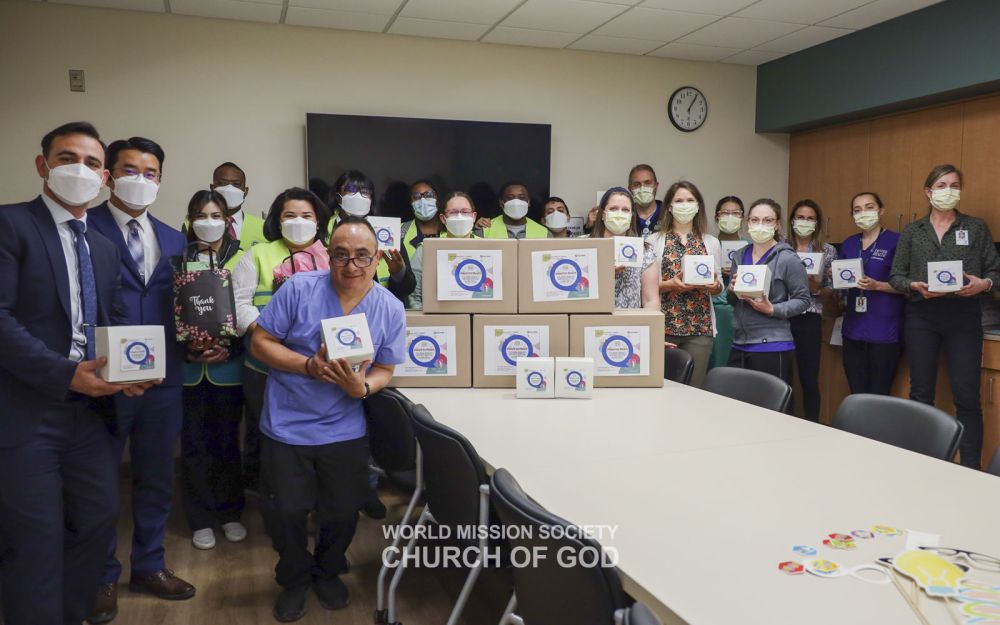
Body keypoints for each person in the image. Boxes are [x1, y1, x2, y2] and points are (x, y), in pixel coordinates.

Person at [0, 121, 155, 625]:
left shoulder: (104, 249)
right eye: (67, 158)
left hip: (90, 414)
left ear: (104, 177)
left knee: (94, 524)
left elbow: (106, 328)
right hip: (27, 413)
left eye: (91, 163)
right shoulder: (11, 225)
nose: (80, 170)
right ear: (43, 166)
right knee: (36, 539)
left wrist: (129, 369)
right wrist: (65, 374)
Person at [250, 216, 405, 621]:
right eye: (340, 255)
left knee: (341, 510)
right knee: (285, 513)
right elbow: (261, 342)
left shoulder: (389, 308)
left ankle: (328, 570)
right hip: (287, 425)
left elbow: (386, 369)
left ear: (377, 260)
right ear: (327, 255)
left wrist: (363, 388)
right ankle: (295, 578)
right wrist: (307, 366)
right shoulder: (300, 289)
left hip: (344, 427)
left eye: (361, 256)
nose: (350, 265)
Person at [87, 136, 193, 621]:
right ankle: (101, 576)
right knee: (100, 482)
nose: (140, 180)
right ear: (108, 175)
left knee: (156, 478)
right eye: (129, 170)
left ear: (160, 180)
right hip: (104, 380)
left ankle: (149, 565)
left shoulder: (174, 238)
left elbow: (185, 308)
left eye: (150, 173)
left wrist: (201, 338)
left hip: (164, 381)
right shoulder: (83, 229)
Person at [889, 164, 1000, 469]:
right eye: (941, 185)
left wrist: (984, 284)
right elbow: (896, 275)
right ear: (928, 191)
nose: (948, 190)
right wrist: (913, 285)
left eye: (954, 184)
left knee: (967, 397)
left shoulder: (975, 228)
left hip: (963, 316)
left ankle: (971, 468)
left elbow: (994, 272)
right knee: (921, 393)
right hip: (921, 316)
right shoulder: (914, 230)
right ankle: (922, 463)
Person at [233, 187, 332, 496]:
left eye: (306, 216)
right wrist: (269, 333)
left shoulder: (331, 255)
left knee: (314, 434)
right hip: (264, 365)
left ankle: (312, 497)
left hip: (319, 366)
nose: (298, 222)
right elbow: (238, 304)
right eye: (290, 215)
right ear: (277, 220)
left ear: (318, 221)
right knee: (267, 435)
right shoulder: (258, 254)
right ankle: (271, 498)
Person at [177, 190, 248, 551]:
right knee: (193, 444)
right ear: (190, 220)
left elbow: (247, 311)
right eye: (201, 214)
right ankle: (200, 518)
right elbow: (166, 310)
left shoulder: (242, 258)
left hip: (229, 367)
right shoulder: (175, 260)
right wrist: (185, 349)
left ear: (227, 220)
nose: (209, 221)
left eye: (216, 215)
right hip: (189, 371)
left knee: (226, 443)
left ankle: (230, 512)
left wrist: (228, 347)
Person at [727, 199, 811, 387]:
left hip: (773, 344)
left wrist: (772, 309)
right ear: (747, 223)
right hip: (740, 342)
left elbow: (804, 300)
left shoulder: (788, 258)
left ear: (777, 224)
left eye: (767, 220)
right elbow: (731, 300)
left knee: (770, 409)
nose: (760, 225)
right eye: (755, 220)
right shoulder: (740, 255)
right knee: (735, 406)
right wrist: (731, 290)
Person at [650, 181, 723, 388]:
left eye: (690, 200)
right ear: (669, 207)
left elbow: (718, 288)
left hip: (700, 327)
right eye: (679, 201)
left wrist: (714, 286)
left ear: (698, 206)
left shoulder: (711, 242)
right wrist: (669, 285)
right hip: (664, 325)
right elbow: (645, 288)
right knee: (662, 386)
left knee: (694, 388)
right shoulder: (654, 240)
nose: (685, 205)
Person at [838, 192, 905, 395]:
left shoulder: (896, 241)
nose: (863, 213)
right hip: (853, 328)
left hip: (884, 329)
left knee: (878, 394)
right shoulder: (849, 243)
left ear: (880, 210)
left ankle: (876, 429)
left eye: (869, 207)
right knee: (856, 392)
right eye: (857, 210)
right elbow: (842, 283)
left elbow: (907, 285)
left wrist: (877, 286)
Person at [329, 170, 416, 305]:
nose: (358, 196)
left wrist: (398, 272)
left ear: (371, 199)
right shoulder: (324, 230)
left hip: (379, 309)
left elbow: (408, 287)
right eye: (350, 189)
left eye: (364, 191)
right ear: (338, 196)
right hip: (335, 308)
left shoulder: (387, 230)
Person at [786, 199, 837, 422]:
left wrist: (818, 289)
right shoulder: (781, 247)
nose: (804, 222)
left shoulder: (827, 250)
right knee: (783, 377)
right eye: (800, 217)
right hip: (782, 318)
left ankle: (811, 424)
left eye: (810, 218)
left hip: (810, 318)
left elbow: (831, 291)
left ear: (817, 223)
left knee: (809, 378)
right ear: (792, 221)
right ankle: (781, 422)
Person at [586, 187, 660, 310]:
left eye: (625, 210)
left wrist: (647, 326)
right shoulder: (583, 245)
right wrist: (603, 273)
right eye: (613, 209)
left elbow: (651, 301)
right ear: (603, 214)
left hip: (630, 325)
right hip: (590, 322)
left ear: (632, 217)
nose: (619, 214)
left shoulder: (645, 251)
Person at [408, 191, 480, 310]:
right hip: (440, 322)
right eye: (453, 212)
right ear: (443, 218)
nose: (459, 216)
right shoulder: (425, 250)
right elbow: (415, 297)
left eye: (465, 212)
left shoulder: (488, 248)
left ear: (474, 217)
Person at [710, 196, 747, 369]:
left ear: (742, 217)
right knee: (715, 363)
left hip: (742, 311)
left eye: (735, 213)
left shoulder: (750, 247)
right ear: (717, 217)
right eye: (725, 212)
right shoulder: (708, 244)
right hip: (714, 311)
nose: (730, 217)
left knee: (738, 365)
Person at [210, 161, 267, 251]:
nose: (229, 189)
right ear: (212, 188)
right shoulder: (194, 224)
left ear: (246, 191)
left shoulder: (263, 227)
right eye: (222, 183)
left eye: (236, 184)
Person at [481, 182, 550, 239]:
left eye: (522, 197)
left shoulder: (544, 233)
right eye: (510, 198)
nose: (516, 202)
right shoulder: (484, 230)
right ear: (501, 203)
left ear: (528, 202)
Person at [400, 179, 443, 260]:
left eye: (429, 195)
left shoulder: (450, 229)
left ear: (437, 198)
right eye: (416, 196)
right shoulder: (399, 230)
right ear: (411, 202)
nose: (423, 200)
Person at [628, 164, 662, 237]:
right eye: (637, 184)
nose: (642, 188)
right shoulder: (625, 215)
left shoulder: (668, 213)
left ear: (656, 186)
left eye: (647, 183)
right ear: (630, 189)